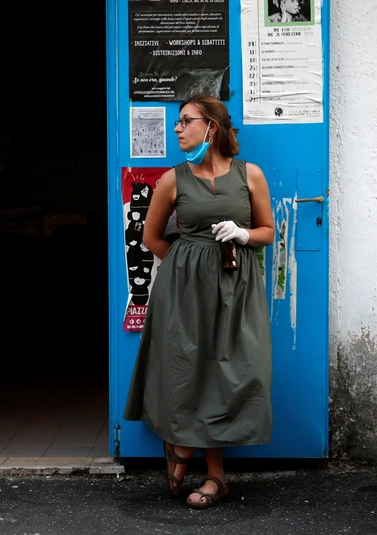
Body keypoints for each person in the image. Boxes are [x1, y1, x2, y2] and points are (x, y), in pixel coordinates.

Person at [124, 95, 274, 509]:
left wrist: (243, 235)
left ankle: (184, 453)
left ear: (211, 127)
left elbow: (267, 231)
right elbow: (151, 238)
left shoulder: (250, 176)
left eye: (185, 120)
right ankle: (214, 477)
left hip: (236, 291)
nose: (177, 128)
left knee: (235, 372)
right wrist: (185, 266)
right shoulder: (173, 179)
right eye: (177, 121)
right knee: (189, 370)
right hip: (184, 293)